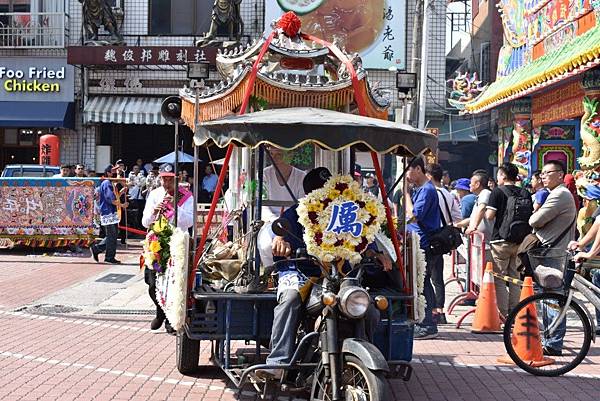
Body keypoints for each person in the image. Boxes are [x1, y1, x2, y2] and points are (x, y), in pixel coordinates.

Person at [255, 167, 390, 380]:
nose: (328, 195)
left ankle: (364, 361)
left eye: (330, 190)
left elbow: (365, 240)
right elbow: (277, 232)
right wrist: (279, 240)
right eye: (322, 191)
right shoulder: (298, 212)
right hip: (302, 271)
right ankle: (278, 362)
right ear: (311, 194)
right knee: (289, 300)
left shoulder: (347, 213)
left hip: (341, 275)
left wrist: (377, 254)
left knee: (368, 309)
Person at [527, 160, 577, 356]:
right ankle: (550, 340)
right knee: (549, 298)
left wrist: (535, 217)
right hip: (552, 253)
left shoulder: (560, 195)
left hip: (556, 255)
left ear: (560, 174)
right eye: (543, 174)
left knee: (553, 299)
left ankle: (554, 343)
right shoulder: (555, 194)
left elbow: (535, 220)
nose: (543, 177)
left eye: (548, 173)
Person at [142, 163, 195, 334]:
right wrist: (153, 213)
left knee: (174, 282)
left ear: (177, 179)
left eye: (169, 179)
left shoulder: (185, 196)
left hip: (176, 243)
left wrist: (175, 206)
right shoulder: (155, 194)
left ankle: (171, 318)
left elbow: (189, 222)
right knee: (151, 282)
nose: (166, 183)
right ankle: (160, 311)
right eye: (163, 179)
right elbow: (144, 222)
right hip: (156, 242)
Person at [485, 163, 532, 317]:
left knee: (499, 277)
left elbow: (490, 216)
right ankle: (515, 311)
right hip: (520, 242)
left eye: (498, 174)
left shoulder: (497, 192)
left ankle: (504, 313)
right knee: (514, 277)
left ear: (503, 176)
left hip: (500, 241)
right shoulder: (525, 192)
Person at [405, 157, 442, 339]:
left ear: (418, 169)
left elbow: (414, 216)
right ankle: (425, 321)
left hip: (425, 243)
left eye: (408, 171)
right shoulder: (420, 189)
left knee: (423, 281)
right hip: (418, 241)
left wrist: (405, 195)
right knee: (421, 282)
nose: (407, 176)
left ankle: (428, 324)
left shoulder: (427, 190)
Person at [423, 163, 461, 324]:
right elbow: (457, 217)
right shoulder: (449, 194)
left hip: (431, 238)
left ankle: (431, 312)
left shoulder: (430, 193)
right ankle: (441, 312)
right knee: (438, 278)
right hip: (443, 239)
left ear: (429, 176)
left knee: (426, 277)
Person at [257, 147, 306, 267]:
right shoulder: (263, 175)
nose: (275, 158)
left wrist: (287, 222)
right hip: (270, 223)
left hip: (295, 223)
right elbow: (262, 207)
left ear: (291, 154)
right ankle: (270, 275)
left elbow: (301, 208)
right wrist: (277, 223)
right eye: (272, 154)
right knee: (266, 245)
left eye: (279, 154)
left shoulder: (301, 177)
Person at [90, 165, 124, 264]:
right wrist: (123, 205)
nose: (116, 174)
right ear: (108, 173)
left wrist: (121, 193)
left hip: (111, 212)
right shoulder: (107, 183)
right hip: (108, 212)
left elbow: (113, 198)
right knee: (112, 235)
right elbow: (111, 200)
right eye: (114, 172)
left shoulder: (110, 184)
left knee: (113, 235)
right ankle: (108, 256)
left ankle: (99, 250)